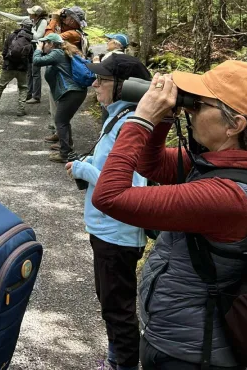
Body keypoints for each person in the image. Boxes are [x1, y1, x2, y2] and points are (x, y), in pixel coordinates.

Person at [92, 61, 247, 370]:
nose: (190, 110)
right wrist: (164, 118)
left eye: (199, 105)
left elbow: (110, 197)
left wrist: (142, 119)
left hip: (192, 355)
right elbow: (152, 165)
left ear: (235, 124)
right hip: (182, 340)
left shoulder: (229, 196)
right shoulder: (234, 162)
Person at [64, 54, 152, 370]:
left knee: (118, 309)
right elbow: (111, 167)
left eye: (102, 80)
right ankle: (116, 359)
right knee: (110, 303)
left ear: (125, 87)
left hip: (118, 233)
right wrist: (89, 163)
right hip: (106, 229)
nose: (95, 84)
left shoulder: (130, 125)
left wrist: (84, 170)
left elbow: (130, 186)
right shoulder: (118, 117)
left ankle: (123, 364)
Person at [32, 33, 87, 163]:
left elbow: (37, 61)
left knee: (60, 120)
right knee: (64, 120)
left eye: (45, 43)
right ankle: (66, 146)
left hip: (71, 92)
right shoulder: (61, 53)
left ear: (51, 44)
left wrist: (38, 50)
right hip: (75, 92)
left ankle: (65, 154)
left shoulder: (57, 53)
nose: (43, 45)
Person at [0, 5, 48, 103]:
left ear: (36, 15)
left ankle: (36, 96)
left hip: (37, 48)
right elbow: (16, 18)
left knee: (35, 73)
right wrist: (0, 12)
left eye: (31, 13)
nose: (29, 14)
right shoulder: (29, 19)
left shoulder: (43, 22)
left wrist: (30, 27)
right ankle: (28, 94)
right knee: (29, 72)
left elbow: (38, 37)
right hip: (28, 48)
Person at [0, 17, 34, 117]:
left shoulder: (12, 36)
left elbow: (4, 52)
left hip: (9, 66)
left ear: (21, 25)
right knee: (23, 88)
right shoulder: (30, 39)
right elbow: (31, 58)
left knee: (0, 87)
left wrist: (8, 60)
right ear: (30, 27)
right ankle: (21, 109)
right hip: (22, 69)